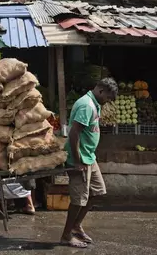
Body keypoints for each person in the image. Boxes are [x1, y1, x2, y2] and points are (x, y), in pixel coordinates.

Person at [60, 78, 118, 249]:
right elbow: (74, 134)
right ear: (100, 91)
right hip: (80, 160)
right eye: (107, 98)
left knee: (98, 192)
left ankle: (76, 226)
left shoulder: (94, 104)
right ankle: (66, 236)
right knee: (78, 200)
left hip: (89, 158)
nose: (107, 102)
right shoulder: (86, 105)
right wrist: (77, 161)